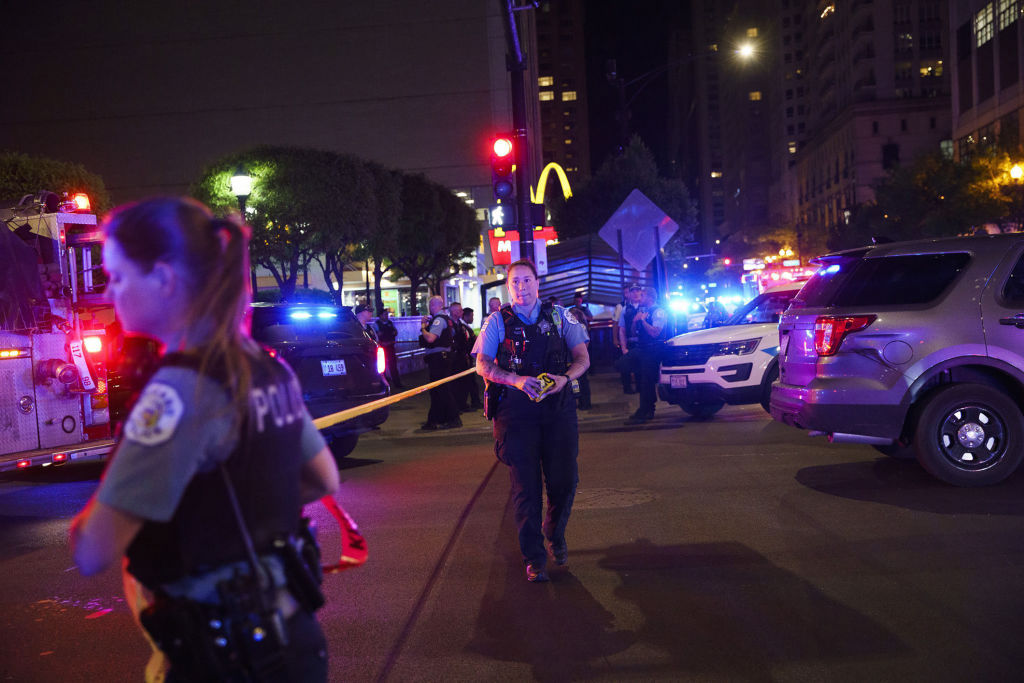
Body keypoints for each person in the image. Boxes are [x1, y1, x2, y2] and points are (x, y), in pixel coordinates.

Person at [69, 197, 340, 681]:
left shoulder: (177, 394)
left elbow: (92, 551)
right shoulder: (265, 367)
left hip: (224, 660)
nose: (111, 294)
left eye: (119, 276)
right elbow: (323, 477)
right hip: (295, 640)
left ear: (165, 279)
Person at [474, 259, 590, 583]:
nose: (521, 288)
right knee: (526, 488)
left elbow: (583, 357)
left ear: (538, 283)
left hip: (558, 409)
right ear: (508, 288)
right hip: (516, 412)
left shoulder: (560, 315)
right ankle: (535, 559)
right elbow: (483, 364)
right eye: (515, 283)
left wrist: (565, 379)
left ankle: (554, 533)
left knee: (565, 481)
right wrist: (515, 380)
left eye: (527, 281)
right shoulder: (498, 320)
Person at [626, 286, 669, 424]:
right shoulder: (643, 311)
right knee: (641, 379)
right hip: (642, 349)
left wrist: (643, 321)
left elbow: (655, 332)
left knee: (647, 381)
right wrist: (635, 320)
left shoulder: (659, 312)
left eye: (642, 295)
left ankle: (647, 409)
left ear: (649, 297)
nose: (640, 297)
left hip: (653, 350)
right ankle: (644, 408)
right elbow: (633, 333)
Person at [419, 294, 461, 430]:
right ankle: (436, 420)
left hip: (439, 359)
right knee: (439, 390)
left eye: (430, 305)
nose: (429, 308)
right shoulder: (446, 319)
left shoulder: (438, 320)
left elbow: (430, 339)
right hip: (444, 357)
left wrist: (423, 327)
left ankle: (452, 418)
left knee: (441, 390)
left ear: (433, 305)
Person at [567, 292, 593, 410]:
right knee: (580, 381)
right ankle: (583, 403)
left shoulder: (580, 326)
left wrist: (581, 355)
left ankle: (585, 403)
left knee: (582, 381)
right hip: (577, 357)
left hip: (580, 358)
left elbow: (586, 342)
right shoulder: (577, 326)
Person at [615, 284, 643, 394]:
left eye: (638, 291)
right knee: (626, 367)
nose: (636, 293)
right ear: (629, 294)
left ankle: (641, 389)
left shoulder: (645, 306)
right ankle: (627, 389)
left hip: (643, 343)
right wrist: (623, 348)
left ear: (641, 292)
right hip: (631, 342)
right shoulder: (625, 309)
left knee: (641, 369)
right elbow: (621, 329)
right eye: (633, 291)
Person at [447, 301, 474, 412]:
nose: (462, 312)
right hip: (454, 357)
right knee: (455, 383)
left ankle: (462, 403)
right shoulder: (449, 324)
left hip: (462, 356)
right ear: (453, 312)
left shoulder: (460, 324)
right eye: (459, 310)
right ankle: (457, 405)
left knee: (464, 381)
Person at [459, 306, 484, 411]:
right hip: (464, 359)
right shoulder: (463, 328)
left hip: (468, 358)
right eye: (472, 316)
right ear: (466, 316)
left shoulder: (466, 328)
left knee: (471, 382)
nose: (473, 318)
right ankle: (466, 404)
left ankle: (474, 401)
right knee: (467, 382)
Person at [375, 307, 403, 389]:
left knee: (393, 366)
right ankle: (384, 384)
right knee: (381, 367)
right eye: (385, 314)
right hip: (382, 348)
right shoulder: (376, 324)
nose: (387, 316)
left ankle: (397, 383)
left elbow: (395, 332)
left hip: (390, 347)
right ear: (380, 316)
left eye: (387, 314)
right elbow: (376, 336)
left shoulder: (390, 323)